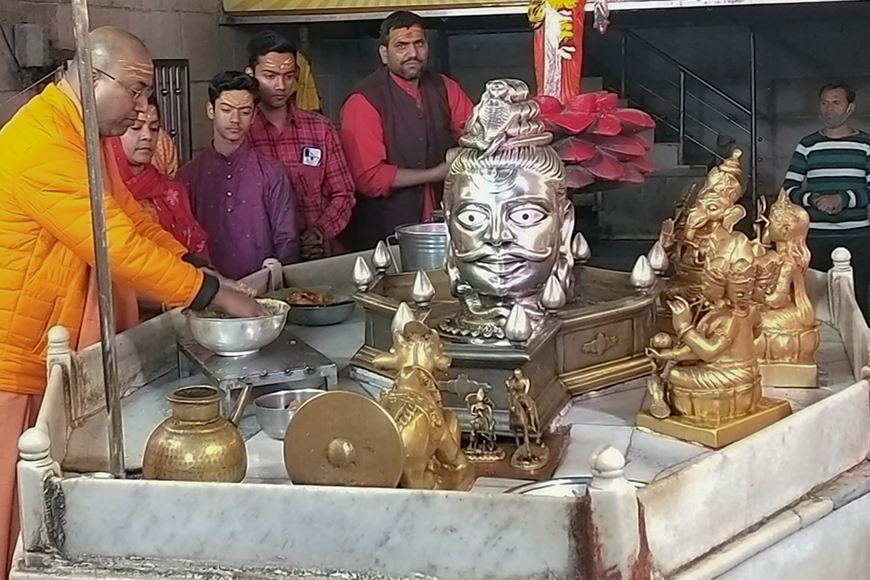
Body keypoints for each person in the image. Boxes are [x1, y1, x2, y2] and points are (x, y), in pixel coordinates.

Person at [0, 27, 262, 578]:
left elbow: (130, 218)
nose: (145, 107)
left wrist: (196, 268)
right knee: (16, 506)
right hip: (18, 353)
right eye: (137, 92)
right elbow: (110, 242)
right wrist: (211, 294)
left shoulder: (84, 135)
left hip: (59, 341)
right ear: (94, 77)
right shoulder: (42, 139)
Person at [340, 11, 474, 251]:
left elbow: (476, 133)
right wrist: (437, 173)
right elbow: (369, 178)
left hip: (443, 224)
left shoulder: (445, 87)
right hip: (385, 232)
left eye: (419, 44)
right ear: (384, 53)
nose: (412, 54)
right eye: (401, 46)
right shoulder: (364, 100)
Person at [178, 71, 299, 281]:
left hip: (263, 291)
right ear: (210, 110)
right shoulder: (187, 177)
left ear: (253, 116)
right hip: (206, 292)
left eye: (244, 111)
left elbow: (287, 240)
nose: (235, 119)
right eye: (226, 110)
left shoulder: (272, 172)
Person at [246, 31, 354, 260]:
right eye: (270, 76)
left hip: (319, 254)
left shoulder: (319, 129)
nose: (280, 85)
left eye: (288, 76)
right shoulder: (242, 133)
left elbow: (344, 193)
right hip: (261, 258)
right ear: (250, 75)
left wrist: (319, 232)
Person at [783, 82, 870, 318]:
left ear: (850, 108)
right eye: (824, 103)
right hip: (815, 236)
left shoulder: (866, 144)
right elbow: (789, 188)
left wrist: (843, 199)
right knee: (817, 300)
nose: (828, 109)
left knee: (858, 299)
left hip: (858, 237)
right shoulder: (808, 144)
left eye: (836, 102)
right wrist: (814, 199)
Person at [109, 97, 209, 258]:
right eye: (136, 128)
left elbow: (195, 248)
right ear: (113, 133)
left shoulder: (171, 191)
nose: (147, 136)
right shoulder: (102, 192)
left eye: (154, 128)